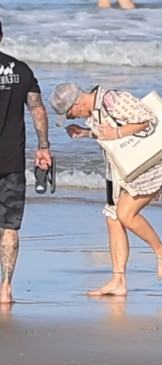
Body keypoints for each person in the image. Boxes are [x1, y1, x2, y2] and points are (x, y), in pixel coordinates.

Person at [48, 82, 162, 296]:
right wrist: (86, 133)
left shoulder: (112, 100)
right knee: (113, 218)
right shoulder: (95, 111)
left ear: (77, 104)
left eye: (70, 115)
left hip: (148, 165)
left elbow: (148, 120)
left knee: (125, 214)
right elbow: (110, 134)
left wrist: (116, 132)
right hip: (122, 170)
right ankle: (118, 281)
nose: (74, 118)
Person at [0, 20, 52, 304]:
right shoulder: (20, 70)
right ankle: (5, 289)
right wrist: (43, 147)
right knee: (9, 226)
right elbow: (37, 109)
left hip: (11, 162)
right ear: (1, 36)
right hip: (11, 162)